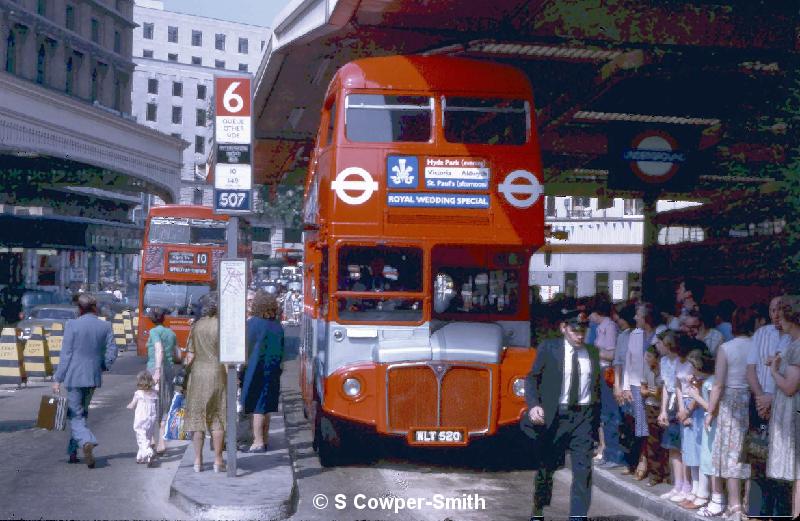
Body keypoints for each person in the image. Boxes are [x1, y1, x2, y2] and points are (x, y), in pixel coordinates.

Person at [521, 309, 601, 521]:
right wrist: (534, 405)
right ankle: (538, 509)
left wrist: (598, 427)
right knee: (547, 467)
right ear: (564, 328)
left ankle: (578, 516)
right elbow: (532, 379)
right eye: (575, 331)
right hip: (555, 416)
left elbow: (597, 389)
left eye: (583, 330)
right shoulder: (550, 349)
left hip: (583, 417)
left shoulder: (592, 352)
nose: (580, 336)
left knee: (583, 469)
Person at [51, 293, 116, 468]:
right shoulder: (105, 326)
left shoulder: (72, 325)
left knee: (75, 415)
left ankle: (86, 441)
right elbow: (112, 351)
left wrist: (58, 378)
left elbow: (66, 355)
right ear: (94, 307)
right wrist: (103, 366)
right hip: (93, 376)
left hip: (74, 376)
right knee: (81, 413)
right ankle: (73, 451)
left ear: (79, 308)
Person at [705, 306, 756, 519]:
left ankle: (734, 505)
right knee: (747, 453)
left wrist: (710, 410)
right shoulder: (756, 345)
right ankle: (746, 502)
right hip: (750, 399)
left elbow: (718, 384)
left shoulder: (726, 348)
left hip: (730, 401)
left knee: (730, 454)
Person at [745, 295, 792, 517]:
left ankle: (779, 511)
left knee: (781, 461)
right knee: (757, 458)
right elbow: (751, 369)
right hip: (760, 401)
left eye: (781, 309)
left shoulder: (794, 338)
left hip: (785, 406)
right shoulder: (761, 334)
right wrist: (760, 397)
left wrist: (772, 399)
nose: (776, 314)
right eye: (773, 309)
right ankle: (757, 510)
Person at [183, 294, 226, 473]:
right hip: (217, 372)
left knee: (197, 417)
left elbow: (190, 355)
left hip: (198, 373)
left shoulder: (196, 326)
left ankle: (198, 461)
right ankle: (217, 460)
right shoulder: (222, 326)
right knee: (217, 416)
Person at [766, 295, 800, 519]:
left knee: (798, 470)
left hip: (794, 411)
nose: (778, 319)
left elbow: (790, 387)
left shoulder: (797, 346)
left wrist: (774, 372)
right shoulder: (793, 344)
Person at [240, 291, 285, 452]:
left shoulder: (253, 323)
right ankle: (265, 438)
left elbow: (246, 347)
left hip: (255, 368)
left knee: (257, 406)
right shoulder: (277, 325)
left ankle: (257, 441)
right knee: (266, 405)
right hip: (273, 370)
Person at [622, 302, 655, 479]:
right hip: (635, 385)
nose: (635, 318)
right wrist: (626, 386)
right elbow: (628, 361)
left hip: (651, 387)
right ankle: (637, 459)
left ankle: (645, 460)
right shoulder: (635, 334)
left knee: (648, 427)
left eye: (639, 315)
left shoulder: (658, 335)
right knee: (637, 426)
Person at [673, 336, 709, 504]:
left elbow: (697, 393)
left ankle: (701, 490)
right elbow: (678, 386)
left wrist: (687, 411)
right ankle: (694, 488)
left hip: (696, 408)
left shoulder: (699, 374)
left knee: (699, 449)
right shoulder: (682, 364)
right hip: (685, 407)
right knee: (689, 451)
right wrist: (681, 409)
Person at [683, 349, 718, 512]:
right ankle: (701, 493)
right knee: (704, 457)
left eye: (692, 367)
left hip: (712, 424)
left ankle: (705, 494)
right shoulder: (706, 380)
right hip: (706, 425)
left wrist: (696, 396)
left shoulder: (711, 382)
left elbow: (711, 408)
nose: (690, 371)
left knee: (708, 457)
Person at [591, 298, 620, 466]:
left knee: (609, 413)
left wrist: (594, 351)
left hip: (607, 372)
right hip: (599, 371)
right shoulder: (600, 328)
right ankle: (604, 449)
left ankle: (612, 452)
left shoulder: (609, 327)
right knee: (602, 412)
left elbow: (611, 354)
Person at [656, 331, 685, 495]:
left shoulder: (681, 361)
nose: (657, 346)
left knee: (683, 447)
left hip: (683, 403)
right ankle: (678, 485)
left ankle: (687, 486)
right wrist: (663, 410)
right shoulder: (664, 361)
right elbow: (667, 387)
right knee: (672, 446)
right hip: (672, 403)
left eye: (660, 343)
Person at [146, 307, 177, 455]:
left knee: (151, 402)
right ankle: (162, 441)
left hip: (155, 369)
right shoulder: (171, 333)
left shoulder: (154, 332)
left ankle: (152, 439)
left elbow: (159, 350)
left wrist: (157, 370)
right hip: (170, 369)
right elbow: (177, 354)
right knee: (165, 402)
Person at [642, 344, 668, 485]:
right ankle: (655, 475)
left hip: (663, 408)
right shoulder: (646, 370)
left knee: (666, 442)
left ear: (657, 358)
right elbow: (644, 390)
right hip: (651, 407)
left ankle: (667, 474)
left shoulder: (664, 370)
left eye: (649, 356)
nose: (646, 359)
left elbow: (663, 391)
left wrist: (654, 391)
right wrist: (654, 391)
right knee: (652, 442)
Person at [127, 371, 158, 464]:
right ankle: (140, 456)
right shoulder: (154, 393)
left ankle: (148, 452)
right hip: (151, 417)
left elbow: (132, 405)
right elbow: (157, 387)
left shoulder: (138, 393)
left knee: (140, 435)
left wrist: (130, 405)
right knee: (147, 436)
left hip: (141, 417)